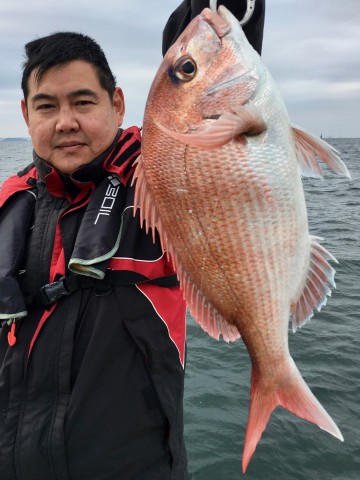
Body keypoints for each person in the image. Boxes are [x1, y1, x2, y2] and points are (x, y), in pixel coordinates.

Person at [0, 1, 265, 479]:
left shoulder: (161, 173)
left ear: (117, 104)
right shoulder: (8, 204)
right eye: (46, 106)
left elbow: (207, 103)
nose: (65, 122)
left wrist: (210, 18)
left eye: (83, 102)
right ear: (25, 114)